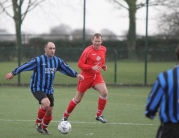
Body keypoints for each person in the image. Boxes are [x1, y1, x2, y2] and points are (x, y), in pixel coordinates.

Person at [5, 42, 84, 135]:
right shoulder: (38, 60)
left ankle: (44, 128)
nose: (52, 50)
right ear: (45, 49)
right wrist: (13, 73)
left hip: (49, 89)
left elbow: (66, 67)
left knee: (49, 112)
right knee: (46, 104)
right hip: (37, 87)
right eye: (50, 48)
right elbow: (25, 66)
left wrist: (76, 74)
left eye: (54, 48)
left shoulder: (57, 61)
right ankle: (38, 123)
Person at [60, 33, 108, 123]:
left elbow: (101, 59)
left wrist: (103, 66)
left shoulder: (103, 49)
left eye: (99, 41)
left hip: (97, 76)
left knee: (104, 92)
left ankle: (99, 115)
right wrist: (91, 67)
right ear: (92, 40)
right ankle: (65, 116)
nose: (97, 43)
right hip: (85, 77)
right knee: (77, 99)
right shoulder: (87, 51)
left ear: (101, 41)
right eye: (96, 41)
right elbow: (80, 64)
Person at [145, 45, 179, 138]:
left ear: (176, 55)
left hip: (170, 130)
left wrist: (151, 112)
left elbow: (151, 107)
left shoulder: (165, 77)